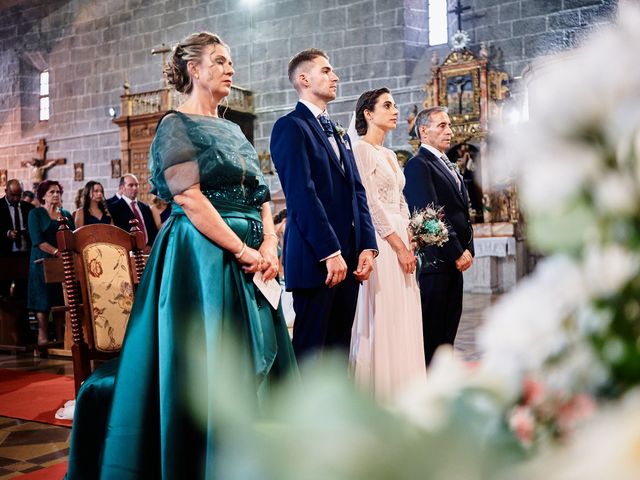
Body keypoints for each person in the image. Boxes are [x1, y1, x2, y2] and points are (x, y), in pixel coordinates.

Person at [66, 32, 296, 479]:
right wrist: (244, 249)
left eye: (231, 62)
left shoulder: (233, 129)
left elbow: (263, 194)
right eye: (221, 61)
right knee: (209, 359)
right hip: (201, 259)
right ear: (195, 69)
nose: (230, 69)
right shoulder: (175, 125)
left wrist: (269, 243)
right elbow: (189, 198)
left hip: (253, 259)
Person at [270, 48, 377, 362]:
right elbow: (302, 195)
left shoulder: (340, 133)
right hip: (316, 259)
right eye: (327, 71)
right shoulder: (290, 127)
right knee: (312, 353)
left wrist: (367, 246)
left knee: (339, 352)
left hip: (349, 258)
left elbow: (358, 192)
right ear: (304, 79)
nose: (336, 77)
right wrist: (330, 252)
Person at [348, 88, 427, 400]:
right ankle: (382, 390)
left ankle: (406, 383)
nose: (395, 111)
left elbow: (399, 199)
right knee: (385, 309)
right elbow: (370, 202)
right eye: (387, 105)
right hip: (380, 240)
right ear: (368, 113)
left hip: (399, 234)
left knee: (405, 309)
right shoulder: (362, 150)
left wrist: (410, 231)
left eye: (394, 105)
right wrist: (398, 245)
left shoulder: (391, 155)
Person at [403, 107, 474, 367]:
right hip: (435, 264)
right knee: (433, 335)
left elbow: (461, 213)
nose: (449, 131)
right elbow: (428, 213)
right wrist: (457, 251)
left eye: (449, 125)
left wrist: (468, 249)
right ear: (424, 131)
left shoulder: (447, 163)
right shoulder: (418, 165)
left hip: (451, 264)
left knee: (448, 333)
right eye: (442, 125)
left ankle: (442, 382)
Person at [26, 180, 75, 345]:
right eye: (51, 192)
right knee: (43, 299)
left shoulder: (66, 214)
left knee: (60, 298)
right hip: (41, 260)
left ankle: (62, 337)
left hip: (62, 262)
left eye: (58, 192)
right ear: (43, 196)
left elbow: (72, 236)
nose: (55, 195)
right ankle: (43, 336)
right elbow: (37, 240)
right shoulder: (36, 214)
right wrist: (56, 252)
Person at [108, 173, 158, 247]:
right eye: (131, 185)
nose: (135, 188)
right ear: (122, 188)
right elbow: (117, 232)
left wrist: (150, 245)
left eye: (136, 185)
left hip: (149, 250)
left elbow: (152, 229)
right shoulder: (113, 208)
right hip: (128, 250)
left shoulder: (145, 207)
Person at [0, 179, 34, 255]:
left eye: (19, 195)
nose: (16, 198)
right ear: (6, 191)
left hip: (27, 252)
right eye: (13, 195)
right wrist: (7, 233)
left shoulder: (29, 207)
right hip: (5, 252)